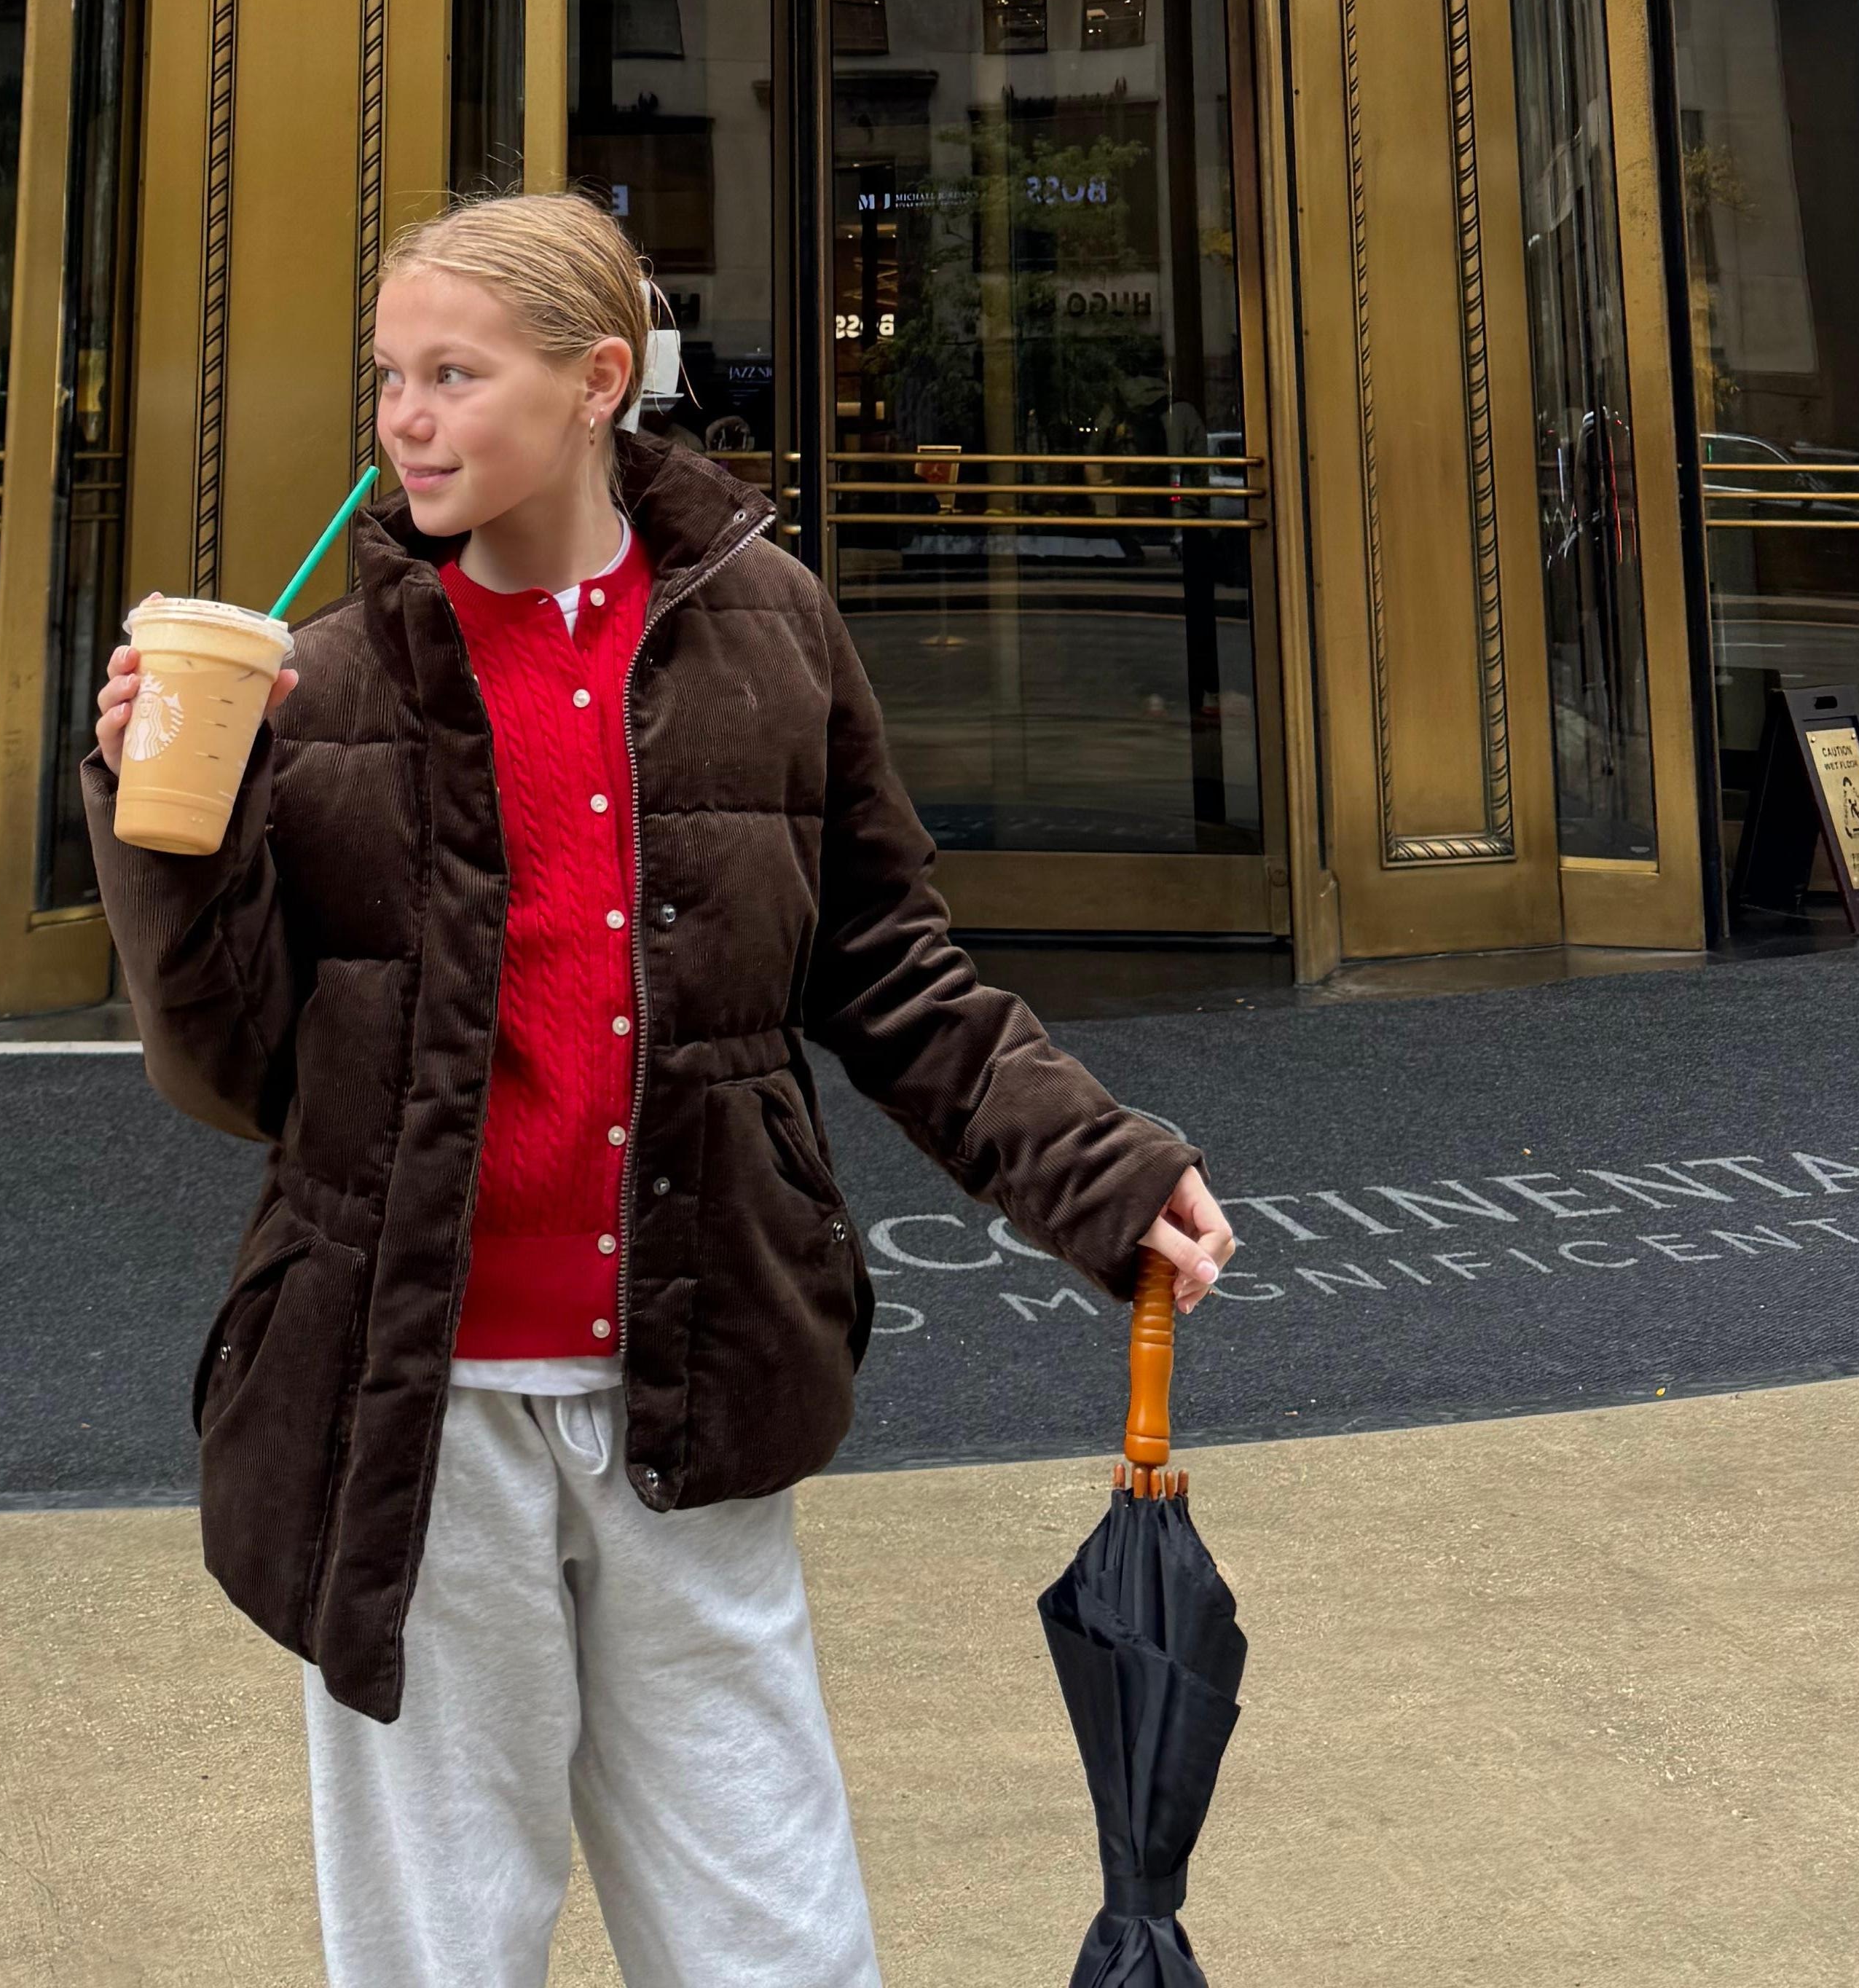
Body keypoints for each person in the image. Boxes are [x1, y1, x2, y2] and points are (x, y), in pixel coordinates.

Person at [87, 187, 1236, 1988]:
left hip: (693, 1384)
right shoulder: (312, 687)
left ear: (596, 383)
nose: (405, 417)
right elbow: (232, 1071)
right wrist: (172, 834)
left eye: (454, 374)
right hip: (406, 1408)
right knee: (438, 1943)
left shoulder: (770, 632)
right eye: (390, 376)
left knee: (770, 1929)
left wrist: (1094, 1169)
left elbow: (889, 970)